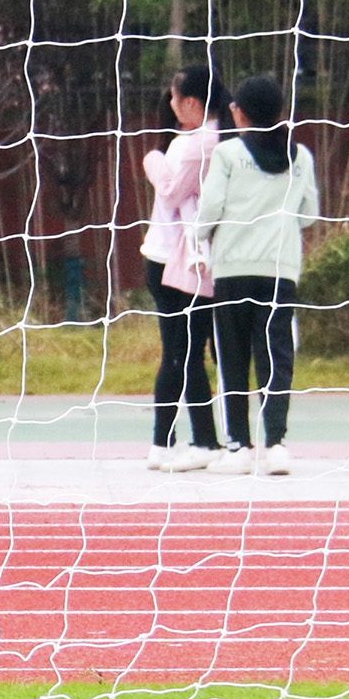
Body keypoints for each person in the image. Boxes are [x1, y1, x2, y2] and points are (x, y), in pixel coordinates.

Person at [189, 73, 320, 475]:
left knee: (232, 356)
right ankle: (277, 444)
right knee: (276, 356)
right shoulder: (300, 155)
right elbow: (309, 213)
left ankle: (238, 447)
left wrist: (199, 237)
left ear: (241, 112)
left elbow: (210, 208)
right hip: (280, 269)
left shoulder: (228, 154)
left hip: (232, 269)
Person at [137, 63, 223, 470]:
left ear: (190, 102)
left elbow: (170, 193)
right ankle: (186, 441)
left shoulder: (195, 143)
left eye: (174, 98)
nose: (170, 105)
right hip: (185, 259)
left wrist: (151, 159)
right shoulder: (213, 139)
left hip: (174, 258)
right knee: (187, 352)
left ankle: (172, 442)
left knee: (180, 352)